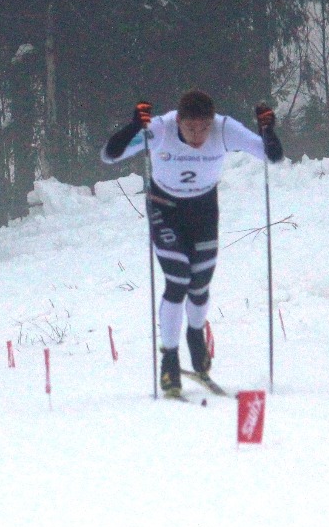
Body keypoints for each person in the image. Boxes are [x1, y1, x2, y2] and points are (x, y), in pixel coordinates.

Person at [101, 89, 283, 396]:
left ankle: (195, 335)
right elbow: (110, 154)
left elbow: (272, 156)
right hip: (165, 208)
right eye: (190, 128)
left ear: (212, 122)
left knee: (199, 285)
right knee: (178, 279)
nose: (198, 135)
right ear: (179, 122)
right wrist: (135, 126)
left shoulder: (224, 129)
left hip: (203, 211)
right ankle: (169, 360)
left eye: (203, 128)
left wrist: (267, 130)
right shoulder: (160, 128)